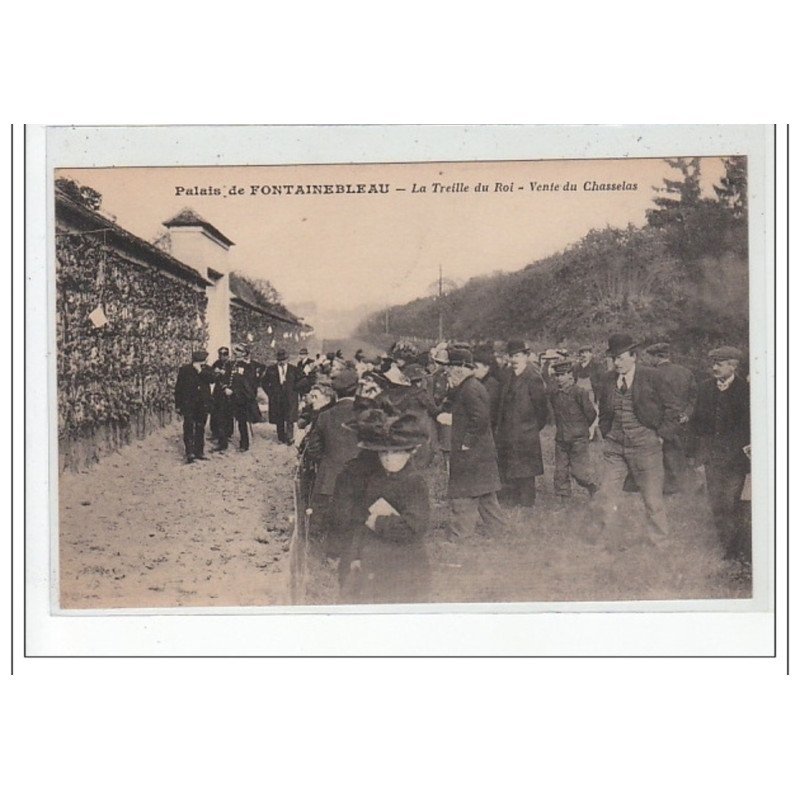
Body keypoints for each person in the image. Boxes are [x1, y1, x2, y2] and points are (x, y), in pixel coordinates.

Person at [333, 407, 432, 604]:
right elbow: (362, 519)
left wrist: (378, 522)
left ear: (410, 452)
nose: (388, 458)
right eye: (383, 453)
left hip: (404, 564)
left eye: (395, 453)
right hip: (375, 560)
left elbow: (414, 527)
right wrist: (356, 554)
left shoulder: (414, 482)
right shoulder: (377, 477)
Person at [595, 333, 682, 548]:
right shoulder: (607, 379)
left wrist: (662, 435)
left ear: (634, 356)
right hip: (615, 446)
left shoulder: (652, 377)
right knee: (606, 494)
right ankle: (606, 540)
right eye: (614, 358)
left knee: (652, 498)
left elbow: (673, 408)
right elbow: (604, 409)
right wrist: (605, 431)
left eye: (621, 357)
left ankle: (659, 541)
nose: (617, 363)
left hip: (646, 446)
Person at [690, 346, 751, 563]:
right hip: (712, 458)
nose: (714, 367)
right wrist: (697, 456)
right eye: (713, 363)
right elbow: (697, 423)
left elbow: (747, 427)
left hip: (736, 460)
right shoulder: (705, 388)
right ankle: (727, 545)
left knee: (732, 502)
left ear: (733, 366)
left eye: (720, 363)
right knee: (716, 503)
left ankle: (736, 549)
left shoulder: (746, 390)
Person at [445, 346, 506, 539]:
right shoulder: (470, 385)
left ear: (462, 367)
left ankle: (460, 534)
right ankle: (497, 529)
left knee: (463, 494)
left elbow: (480, 418)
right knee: (486, 492)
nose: (449, 370)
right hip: (482, 452)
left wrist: (467, 442)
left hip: (472, 452)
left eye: (452, 366)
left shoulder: (470, 389)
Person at [304, 368, 360, 554]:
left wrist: (328, 460)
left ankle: (324, 552)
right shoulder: (366, 415)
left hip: (330, 476)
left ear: (335, 392)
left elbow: (312, 449)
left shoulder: (324, 416)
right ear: (357, 389)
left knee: (324, 516)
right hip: (360, 476)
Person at [495, 339, 549, 507]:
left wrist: (531, 427)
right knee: (509, 465)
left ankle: (527, 502)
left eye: (517, 356)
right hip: (507, 431)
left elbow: (542, 409)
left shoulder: (533, 377)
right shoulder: (507, 375)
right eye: (511, 356)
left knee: (526, 469)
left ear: (526, 356)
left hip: (526, 432)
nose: (514, 360)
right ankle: (510, 499)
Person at [645, 342, 697, 494]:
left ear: (657, 357)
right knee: (679, 453)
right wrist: (687, 413)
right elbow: (694, 397)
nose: (649, 360)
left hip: (662, 420)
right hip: (682, 420)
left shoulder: (651, 374)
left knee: (663, 454)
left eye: (651, 357)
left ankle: (670, 486)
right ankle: (683, 485)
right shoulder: (686, 372)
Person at [548, 358, 598, 498]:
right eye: (557, 375)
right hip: (561, 439)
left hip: (578, 439)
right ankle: (563, 498)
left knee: (579, 472)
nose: (559, 378)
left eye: (562, 374)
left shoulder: (579, 393)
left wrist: (580, 429)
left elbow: (591, 414)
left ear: (570, 374)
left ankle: (592, 487)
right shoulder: (555, 395)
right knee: (560, 471)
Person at [174, 349, 215, 464]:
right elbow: (179, 388)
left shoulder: (207, 369)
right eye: (200, 362)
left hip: (202, 403)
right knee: (188, 426)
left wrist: (200, 371)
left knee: (200, 427)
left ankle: (199, 451)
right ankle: (189, 452)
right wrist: (178, 405)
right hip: (189, 403)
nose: (202, 363)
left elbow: (212, 380)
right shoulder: (185, 370)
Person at [262, 348, 300, 445]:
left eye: (283, 360)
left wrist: (296, 390)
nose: (282, 362)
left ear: (287, 359)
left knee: (290, 418)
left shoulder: (294, 369)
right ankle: (281, 436)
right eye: (280, 360)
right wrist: (270, 393)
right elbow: (264, 382)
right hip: (277, 397)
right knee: (279, 417)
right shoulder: (271, 369)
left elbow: (301, 381)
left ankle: (290, 438)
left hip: (290, 397)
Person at [472, 343, 502, 429]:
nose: (473, 371)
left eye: (476, 367)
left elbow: (489, 411)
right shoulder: (478, 382)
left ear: (486, 368)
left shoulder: (492, 385)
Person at [209, 346, 233, 445]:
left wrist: (225, 373)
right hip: (218, 391)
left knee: (228, 412)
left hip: (227, 390)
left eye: (225, 354)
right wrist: (215, 373)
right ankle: (215, 432)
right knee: (215, 411)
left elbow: (232, 377)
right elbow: (212, 376)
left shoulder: (231, 365)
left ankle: (227, 433)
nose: (222, 357)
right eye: (221, 355)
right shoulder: (216, 363)